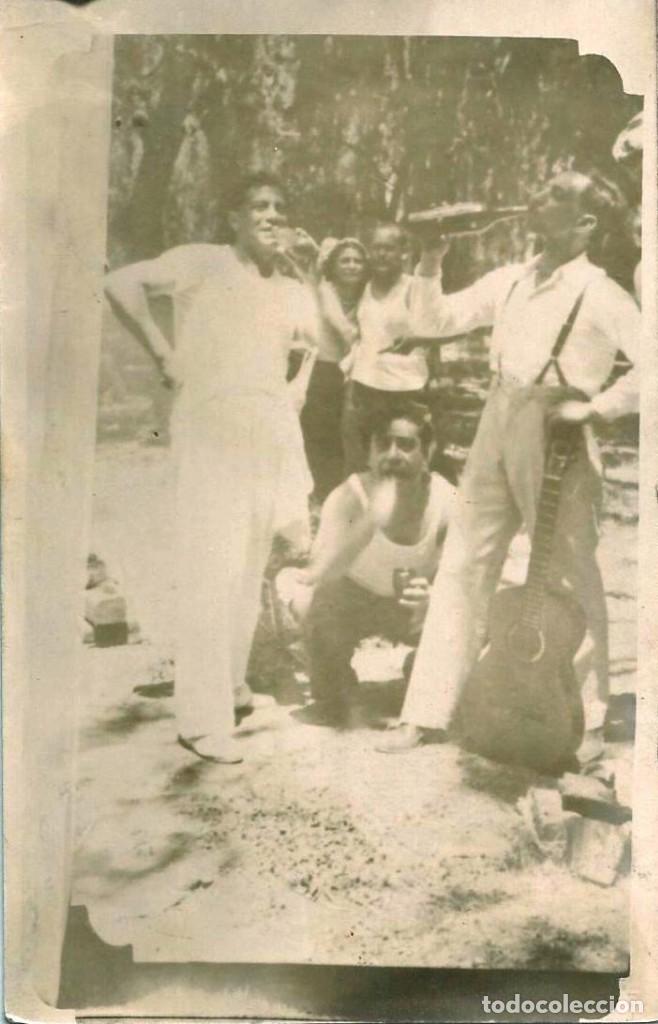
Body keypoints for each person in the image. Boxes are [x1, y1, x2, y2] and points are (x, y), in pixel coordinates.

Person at [378, 169, 640, 762]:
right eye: (540, 188)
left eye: (554, 196)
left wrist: (597, 408)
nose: (536, 197)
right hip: (497, 416)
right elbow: (432, 323)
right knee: (464, 557)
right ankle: (428, 713)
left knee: (572, 573)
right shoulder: (513, 279)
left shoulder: (600, 292)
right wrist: (429, 261)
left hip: (557, 430)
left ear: (584, 223)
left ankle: (587, 721)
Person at [104, 171, 318, 763]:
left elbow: (320, 343)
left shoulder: (289, 287)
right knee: (211, 565)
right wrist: (162, 351)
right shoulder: (202, 261)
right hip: (211, 426)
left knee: (249, 568)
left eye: (280, 207)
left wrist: (296, 383)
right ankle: (201, 720)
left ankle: (228, 686)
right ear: (234, 217)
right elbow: (121, 283)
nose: (271, 217)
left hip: (267, 429)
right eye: (258, 207)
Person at [287, 402, 456, 725]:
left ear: (428, 453)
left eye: (407, 445)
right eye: (383, 445)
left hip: (414, 607)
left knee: (468, 617)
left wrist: (434, 597)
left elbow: (465, 580)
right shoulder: (349, 497)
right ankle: (334, 681)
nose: (393, 455)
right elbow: (322, 573)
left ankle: (420, 672)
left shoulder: (447, 501)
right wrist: (373, 517)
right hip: (354, 599)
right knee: (308, 602)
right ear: (368, 454)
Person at [342, 223, 442, 473]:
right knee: (360, 463)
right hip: (363, 390)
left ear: (404, 253)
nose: (381, 254)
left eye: (389, 248)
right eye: (376, 248)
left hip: (405, 392)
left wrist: (420, 341)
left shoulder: (415, 287)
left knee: (407, 467)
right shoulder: (363, 286)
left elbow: (446, 328)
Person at [300, 238, 368, 501]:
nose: (352, 266)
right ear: (334, 266)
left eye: (358, 260)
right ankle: (322, 493)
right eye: (345, 260)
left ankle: (350, 494)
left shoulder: (370, 292)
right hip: (324, 369)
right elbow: (341, 326)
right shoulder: (325, 288)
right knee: (321, 432)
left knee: (352, 435)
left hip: (358, 372)